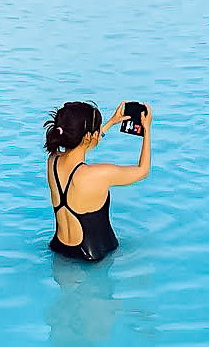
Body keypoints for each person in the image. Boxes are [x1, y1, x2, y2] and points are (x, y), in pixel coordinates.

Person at [44, 101, 152, 262]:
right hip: (92, 256)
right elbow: (143, 171)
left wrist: (111, 122)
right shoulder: (97, 174)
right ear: (88, 136)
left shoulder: (52, 160)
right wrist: (147, 129)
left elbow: (83, 143)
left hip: (59, 247)